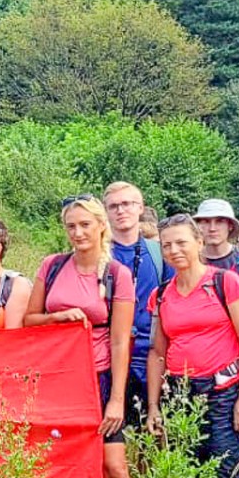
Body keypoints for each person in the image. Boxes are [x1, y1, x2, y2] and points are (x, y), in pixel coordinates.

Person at [144, 215, 239, 478]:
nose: (174, 250)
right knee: (194, 475)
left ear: (198, 243)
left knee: (227, 473)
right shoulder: (162, 294)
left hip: (224, 390)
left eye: (181, 242)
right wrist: (153, 406)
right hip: (181, 392)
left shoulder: (225, 283)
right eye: (166, 245)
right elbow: (157, 352)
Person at [26, 195, 137, 478]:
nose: (78, 233)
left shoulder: (117, 275)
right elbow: (29, 320)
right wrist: (58, 317)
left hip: (99, 375)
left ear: (101, 226)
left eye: (85, 224)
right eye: (71, 226)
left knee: (114, 462)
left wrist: (116, 399)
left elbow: (120, 341)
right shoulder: (52, 266)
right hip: (59, 375)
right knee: (71, 456)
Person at [105, 182, 163, 433]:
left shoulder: (160, 254)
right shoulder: (97, 256)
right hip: (107, 358)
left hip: (150, 357)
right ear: (106, 212)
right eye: (113, 206)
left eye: (127, 204)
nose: (121, 210)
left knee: (154, 434)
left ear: (140, 208)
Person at [196, 199, 239, 272]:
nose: (212, 228)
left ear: (230, 226)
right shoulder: (190, 259)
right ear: (198, 226)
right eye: (206, 221)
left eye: (219, 221)